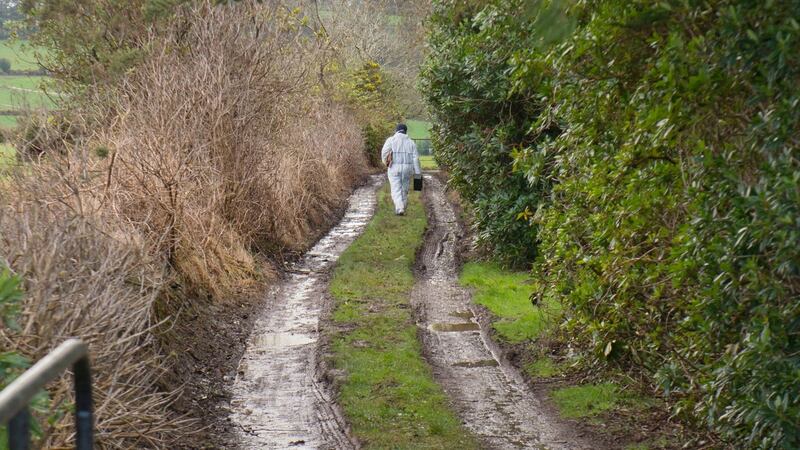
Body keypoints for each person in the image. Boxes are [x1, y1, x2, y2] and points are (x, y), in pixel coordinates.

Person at [381, 123, 421, 215]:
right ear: (405, 131)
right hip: (407, 169)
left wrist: (386, 162)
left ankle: (400, 208)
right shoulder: (411, 142)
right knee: (404, 189)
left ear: (396, 130)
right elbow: (416, 159)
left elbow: (384, 153)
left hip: (394, 168)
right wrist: (417, 174)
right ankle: (403, 206)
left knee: (396, 189)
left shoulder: (391, 140)